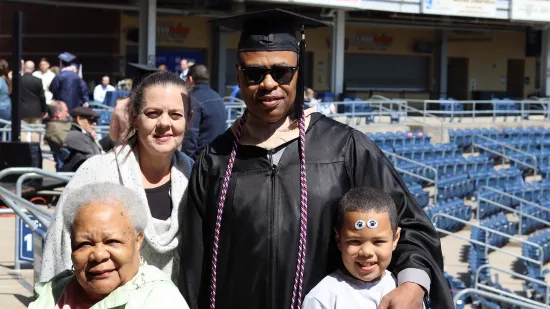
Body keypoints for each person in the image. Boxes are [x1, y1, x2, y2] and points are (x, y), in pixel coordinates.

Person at [178, 9, 453, 309]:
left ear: (298, 73)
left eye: (281, 72)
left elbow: (409, 226)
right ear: (238, 76)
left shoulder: (344, 148)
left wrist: (413, 284)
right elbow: (194, 270)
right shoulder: (214, 162)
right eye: (254, 73)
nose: (268, 83)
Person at [41, 71, 195, 285]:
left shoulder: (196, 177)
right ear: (135, 117)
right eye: (153, 113)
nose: (164, 123)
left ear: (189, 119)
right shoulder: (96, 174)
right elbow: (60, 251)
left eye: (175, 115)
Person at [29, 183, 190, 309]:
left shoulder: (160, 300)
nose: (98, 255)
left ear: (138, 239)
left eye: (112, 241)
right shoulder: (53, 293)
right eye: (85, 244)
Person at [302, 187, 407, 309]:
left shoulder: (404, 291)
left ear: (395, 239)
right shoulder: (322, 299)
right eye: (355, 241)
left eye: (378, 241)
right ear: (338, 240)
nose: (366, 252)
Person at [182, 64, 227, 160]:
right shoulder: (217, 96)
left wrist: (184, 161)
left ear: (190, 79)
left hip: (201, 161)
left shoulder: (193, 99)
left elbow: (190, 136)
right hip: (219, 156)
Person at [20, 61, 47, 142]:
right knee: (36, 131)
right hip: (36, 110)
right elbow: (42, 97)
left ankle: (23, 150)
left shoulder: (19, 80)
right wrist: (44, 110)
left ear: (24, 68)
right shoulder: (38, 80)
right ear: (33, 69)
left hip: (22, 110)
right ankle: (34, 150)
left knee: (23, 131)